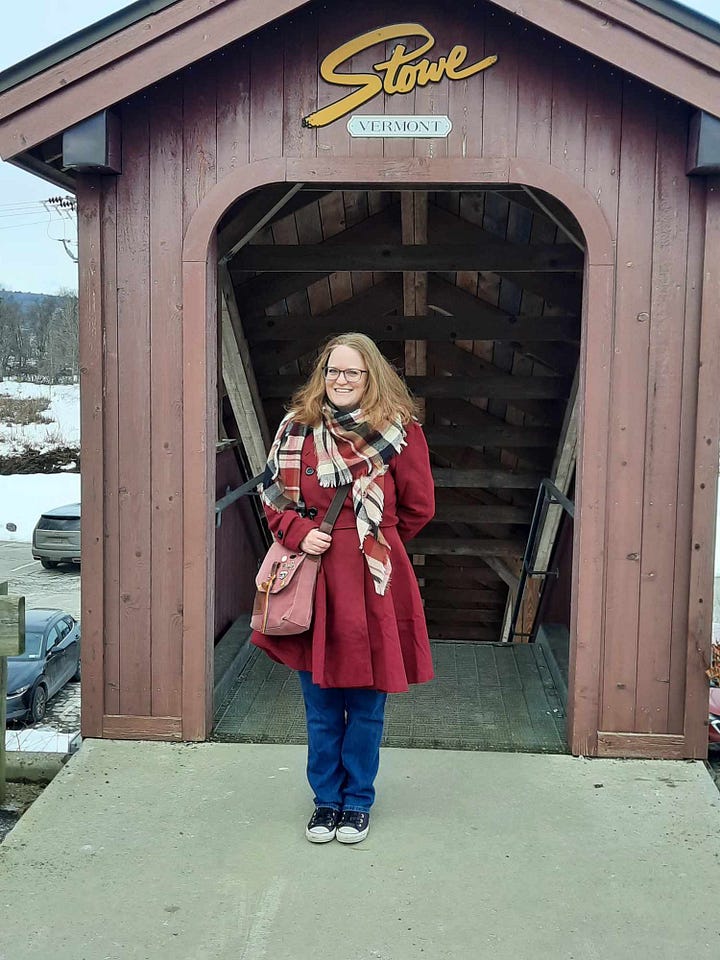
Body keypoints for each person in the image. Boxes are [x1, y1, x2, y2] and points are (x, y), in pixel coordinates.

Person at [251, 332, 435, 844]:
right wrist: (297, 531)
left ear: (371, 375)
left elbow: (420, 507)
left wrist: (373, 538)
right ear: (322, 376)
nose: (342, 380)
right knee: (321, 702)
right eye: (334, 371)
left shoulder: (400, 433)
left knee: (368, 704)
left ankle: (358, 802)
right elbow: (271, 498)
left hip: (374, 581)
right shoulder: (297, 430)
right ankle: (326, 801)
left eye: (353, 372)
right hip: (317, 577)